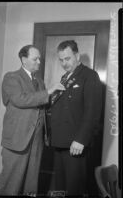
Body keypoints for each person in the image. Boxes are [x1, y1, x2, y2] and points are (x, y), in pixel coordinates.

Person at [0, 45, 64, 196]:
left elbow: (42, 104)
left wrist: (57, 97)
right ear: (24, 59)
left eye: (39, 58)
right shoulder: (11, 77)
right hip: (17, 139)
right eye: (35, 59)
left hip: (36, 139)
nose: (39, 62)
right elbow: (20, 100)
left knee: (31, 183)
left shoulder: (39, 81)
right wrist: (48, 91)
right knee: (11, 184)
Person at [49, 40, 102, 196]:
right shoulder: (65, 77)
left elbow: (92, 111)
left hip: (75, 143)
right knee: (60, 187)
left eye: (67, 58)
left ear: (77, 56)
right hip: (60, 142)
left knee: (74, 188)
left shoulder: (89, 76)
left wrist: (81, 139)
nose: (64, 63)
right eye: (61, 59)